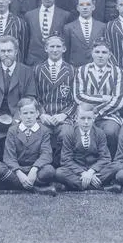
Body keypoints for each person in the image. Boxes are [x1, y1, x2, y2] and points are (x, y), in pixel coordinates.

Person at [0, 35, 37, 153]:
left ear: (16, 51)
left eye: (9, 51)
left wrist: (18, 119)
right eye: (3, 51)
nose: (6, 54)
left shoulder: (27, 71)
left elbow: (30, 98)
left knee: (22, 140)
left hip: (19, 117)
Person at [0, 97, 57, 196]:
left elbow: (46, 154)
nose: (29, 117)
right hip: (17, 170)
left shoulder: (44, 130)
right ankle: (35, 189)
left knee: (49, 170)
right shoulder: (12, 130)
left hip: (35, 170)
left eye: (32, 113)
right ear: (20, 115)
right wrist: (19, 173)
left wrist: (34, 169)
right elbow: (9, 157)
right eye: (25, 113)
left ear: (37, 113)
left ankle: (17, 185)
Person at [73, 37, 123, 156]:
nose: (100, 55)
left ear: (109, 54)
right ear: (92, 53)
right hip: (84, 114)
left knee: (110, 131)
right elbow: (78, 96)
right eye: (97, 52)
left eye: (104, 52)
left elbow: (118, 101)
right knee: (78, 132)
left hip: (109, 115)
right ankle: (84, 161)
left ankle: (108, 160)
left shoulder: (117, 72)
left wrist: (97, 111)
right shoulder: (82, 70)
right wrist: (102, 98)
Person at [33, 34, 76, 168]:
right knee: (39, 132)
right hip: (44, 116)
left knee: (67, 133)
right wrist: (41, 114)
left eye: (58, 46)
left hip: (64, 117)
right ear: (46, 48)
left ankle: (62, 167)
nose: (55, 50)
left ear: (64, 49)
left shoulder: (72, 70)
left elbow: (76, 99)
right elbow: (34, 96)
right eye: (52, 46)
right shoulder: (37, 69)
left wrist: (64, 114)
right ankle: (43, 166)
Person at [54, 103, 117, 192]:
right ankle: (100, 188)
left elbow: (105, 158)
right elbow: (66, 160)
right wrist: (83, 173)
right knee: (59, 172)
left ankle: (77, 186)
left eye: (89, 118)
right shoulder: (70, 133)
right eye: (82, 118)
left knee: (116, 166)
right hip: (77, 171)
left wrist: (91, 172)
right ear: (76, 118)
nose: (86, 122)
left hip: (95, 170)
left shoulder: (99, 133)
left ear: (94, 119)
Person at [23, 0, 71, 66]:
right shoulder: (29, 16)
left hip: (56, 63)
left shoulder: (65, 16)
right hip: (34, 63)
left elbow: (67, 43)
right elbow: (26, 42)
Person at [63, 0, 106, 66]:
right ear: (77, 8)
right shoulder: (68, 28)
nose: (85, 7)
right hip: (76, 68)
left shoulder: (102, 27)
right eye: (82, 5)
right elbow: (66, 53)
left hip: (96, 68)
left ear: (93, 7)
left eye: (88, 4)